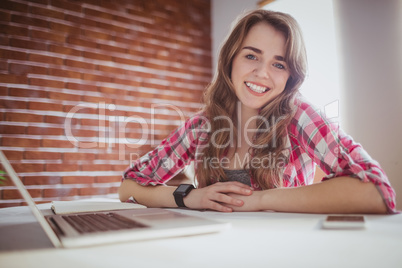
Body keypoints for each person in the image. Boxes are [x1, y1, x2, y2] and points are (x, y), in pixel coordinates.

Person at [119, 9, 396, 214]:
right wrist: (190, 197)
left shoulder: (298, 115)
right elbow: (129, 186)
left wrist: (260, 200)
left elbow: (376, 192)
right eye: (251, 55)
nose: (261, 73)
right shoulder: (202, 125)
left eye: (279, 64)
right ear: (230, 59)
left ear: (290, 75)